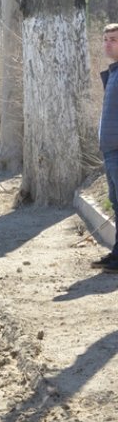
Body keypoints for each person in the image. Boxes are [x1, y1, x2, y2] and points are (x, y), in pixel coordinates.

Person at [93, 23, 118, 271]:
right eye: (106, 39)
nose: (108, 44)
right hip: (110, 150)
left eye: (113, 40)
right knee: (116, 203)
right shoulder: (113, 73)